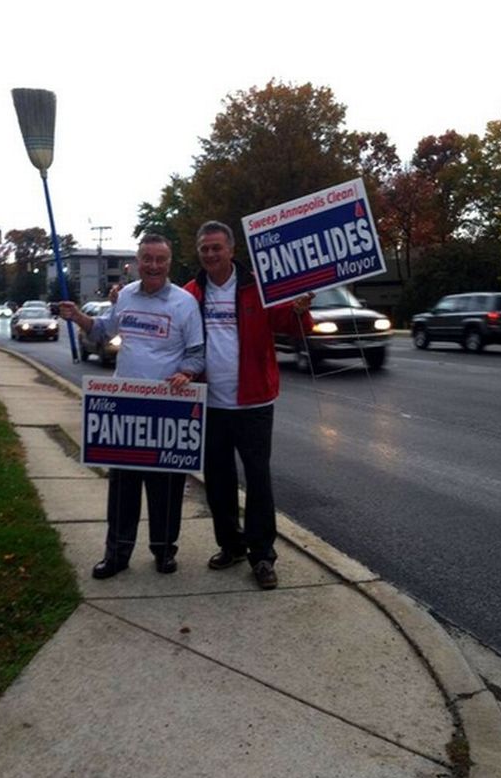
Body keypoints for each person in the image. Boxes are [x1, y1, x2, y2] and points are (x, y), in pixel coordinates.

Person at [59, 233, 204, 580]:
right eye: (147, 259)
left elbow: (197, 353)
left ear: (169, 263)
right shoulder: (124, 296)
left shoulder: (185, 304)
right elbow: (103, 333)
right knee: (123, 487)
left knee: (166, 489)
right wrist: (79, 317)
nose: (154, 265)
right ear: (138, 262)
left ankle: (164, 551)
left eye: (161, 260)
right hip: (126, 406)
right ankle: (117, 554)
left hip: (167, 407)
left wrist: (187, 372)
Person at [184, 221, 313, 590]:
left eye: (216, 248)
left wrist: (301, 309)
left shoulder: (260, 287)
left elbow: (290, 323)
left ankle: (262, 556)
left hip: (254, 402)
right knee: (218, 481)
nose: (210, 254)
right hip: (209, 403)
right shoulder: (191, 293)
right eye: (204, 249)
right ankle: (231, 545)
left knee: (258, 479)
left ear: (231, 250)